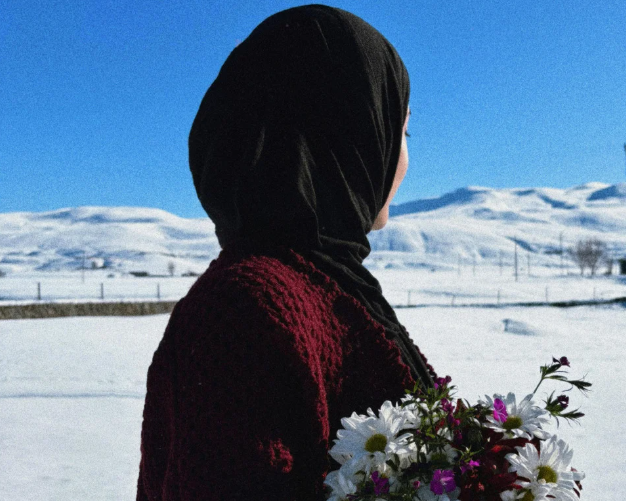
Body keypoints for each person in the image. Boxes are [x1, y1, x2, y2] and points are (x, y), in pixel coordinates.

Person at [136, 5, 435, 500]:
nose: (404, 158)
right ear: (348, 132)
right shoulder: (246, 307)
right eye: (401, 130)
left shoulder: (333, 287)